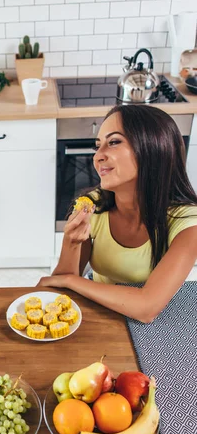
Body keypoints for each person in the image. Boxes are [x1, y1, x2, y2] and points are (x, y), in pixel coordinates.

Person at [39, 104, 197, 323]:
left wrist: (72, 282)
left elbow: (147, 308)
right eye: (98, 146)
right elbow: (59, 287)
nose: (98, 156)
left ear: (152, 147)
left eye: (113, 142)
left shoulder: (188, 224)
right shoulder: (93, 205)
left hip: (156, 327)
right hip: (101, 315)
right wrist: (71, 242)